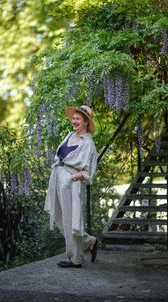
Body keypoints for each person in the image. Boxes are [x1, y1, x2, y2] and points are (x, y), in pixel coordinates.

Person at [44, 105, 98, 268]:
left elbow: (89, 170)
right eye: (73, 118)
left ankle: (76, 258)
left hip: (70, 182)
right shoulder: (69, 135)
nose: (74, 121)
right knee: (59, 216)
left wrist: (74, 176)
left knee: (70, 219)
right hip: (57, 178)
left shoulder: (88, 143)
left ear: (86, 122)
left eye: (78, 119)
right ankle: (89, 241)